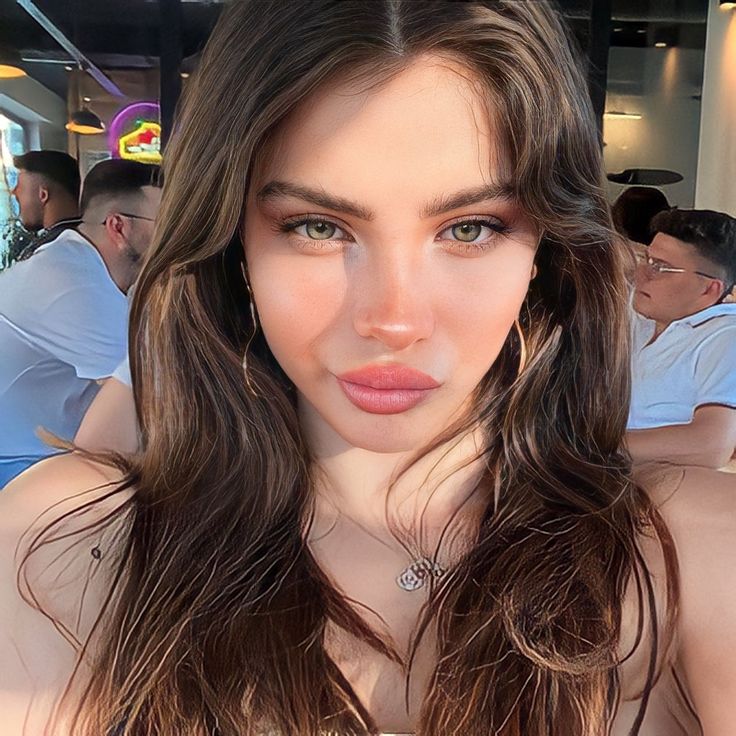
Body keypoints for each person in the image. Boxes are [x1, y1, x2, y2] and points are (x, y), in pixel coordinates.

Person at [2, 2, 736, 735]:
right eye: (319, 227)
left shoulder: (691, 556)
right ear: (235, 248)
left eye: (470, 228)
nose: (393, 320)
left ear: (543, 254)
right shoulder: (73, 546)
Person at [0, 159, 161, 487]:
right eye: (167, 224)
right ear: (118, 227)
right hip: (19, 466)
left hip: (47, 450)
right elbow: (155, 401)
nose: (175, 236)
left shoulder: (90, 266)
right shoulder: (70, 282)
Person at [626, 208, 736, 468]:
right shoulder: (645, 317)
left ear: (709, 289)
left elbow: (710, 445)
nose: (641, 274)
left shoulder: (723, 337)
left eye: (662, 268)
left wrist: (590, 448)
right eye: (647, 259)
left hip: (651, 488)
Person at [10, 150, 82, 261]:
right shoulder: (84, 240)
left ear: (43, 195)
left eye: (19, 186)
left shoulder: (56, 252)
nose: (14, 192)